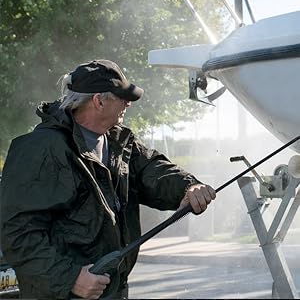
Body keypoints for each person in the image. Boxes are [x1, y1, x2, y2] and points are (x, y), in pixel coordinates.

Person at [0, 59, 216, 299]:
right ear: (99, 100)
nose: (129, 104)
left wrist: (188, 186)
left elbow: (152, 170)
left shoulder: (119, 141)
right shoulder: (41, 149)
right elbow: (17, 233)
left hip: (113, 291)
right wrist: (70, 279)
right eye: (122, 97)